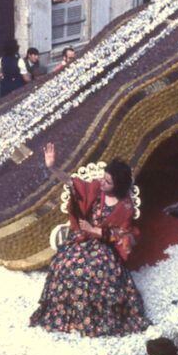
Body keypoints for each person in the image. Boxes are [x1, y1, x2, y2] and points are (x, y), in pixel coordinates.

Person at [29, 143, 149, 336]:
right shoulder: (96, 189)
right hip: (82, 240)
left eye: (108, 182)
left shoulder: (125, 208)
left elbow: (123, 236)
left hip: (104, 247)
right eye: (104, 178)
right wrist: (52, 167)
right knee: (64, 265)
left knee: (92, 272)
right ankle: (65, 316)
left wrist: (97, 231)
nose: (102, 182)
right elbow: (71, 182)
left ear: (117, 186)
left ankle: (91, 319)